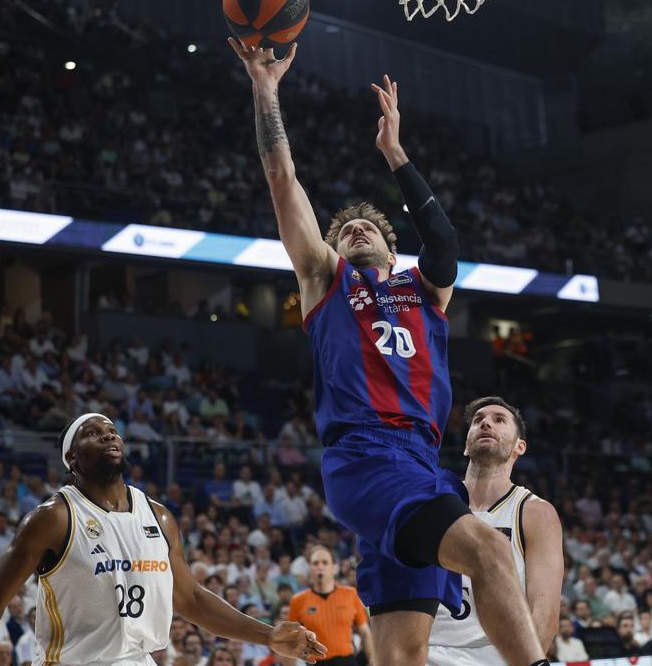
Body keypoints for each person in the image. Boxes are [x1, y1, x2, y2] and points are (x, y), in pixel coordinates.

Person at [228, 39, 547, 666]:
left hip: (423, 462)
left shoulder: (424, 291)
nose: (355, 230)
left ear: (390, 247)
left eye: (367, 226)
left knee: (402, 656)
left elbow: (446, 240)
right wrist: (266, 91)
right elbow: (281, 178)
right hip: (366, 457)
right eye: (344, 230)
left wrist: (396, 154)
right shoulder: (327, 282)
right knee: (488, 550)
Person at [0, 414, 326, 666]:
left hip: (138, 660)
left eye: (112, 431)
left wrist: (268, 635)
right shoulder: (53, 517)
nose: (108, 436)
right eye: (93, 433)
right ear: (72, 458)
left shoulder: (159, 516)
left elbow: (189, 599)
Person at [426, 397, 564, 666]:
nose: (486, 423)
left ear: (519, 447)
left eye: (499, 420)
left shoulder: (534, 512)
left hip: (493, 658)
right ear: (466, 445)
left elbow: (544, 616)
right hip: (426, 652)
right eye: (478, 420)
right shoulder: (432, 500)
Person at [280, 546, 373, 666]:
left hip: (347, 661)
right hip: (317, 662)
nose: (320, 567)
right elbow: (291, 639)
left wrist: (372, 659)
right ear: (309, 568)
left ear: (334, 568)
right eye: (315, 563)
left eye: (325, 562)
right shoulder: (298, 601)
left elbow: (364, 632)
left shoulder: (350, 594)